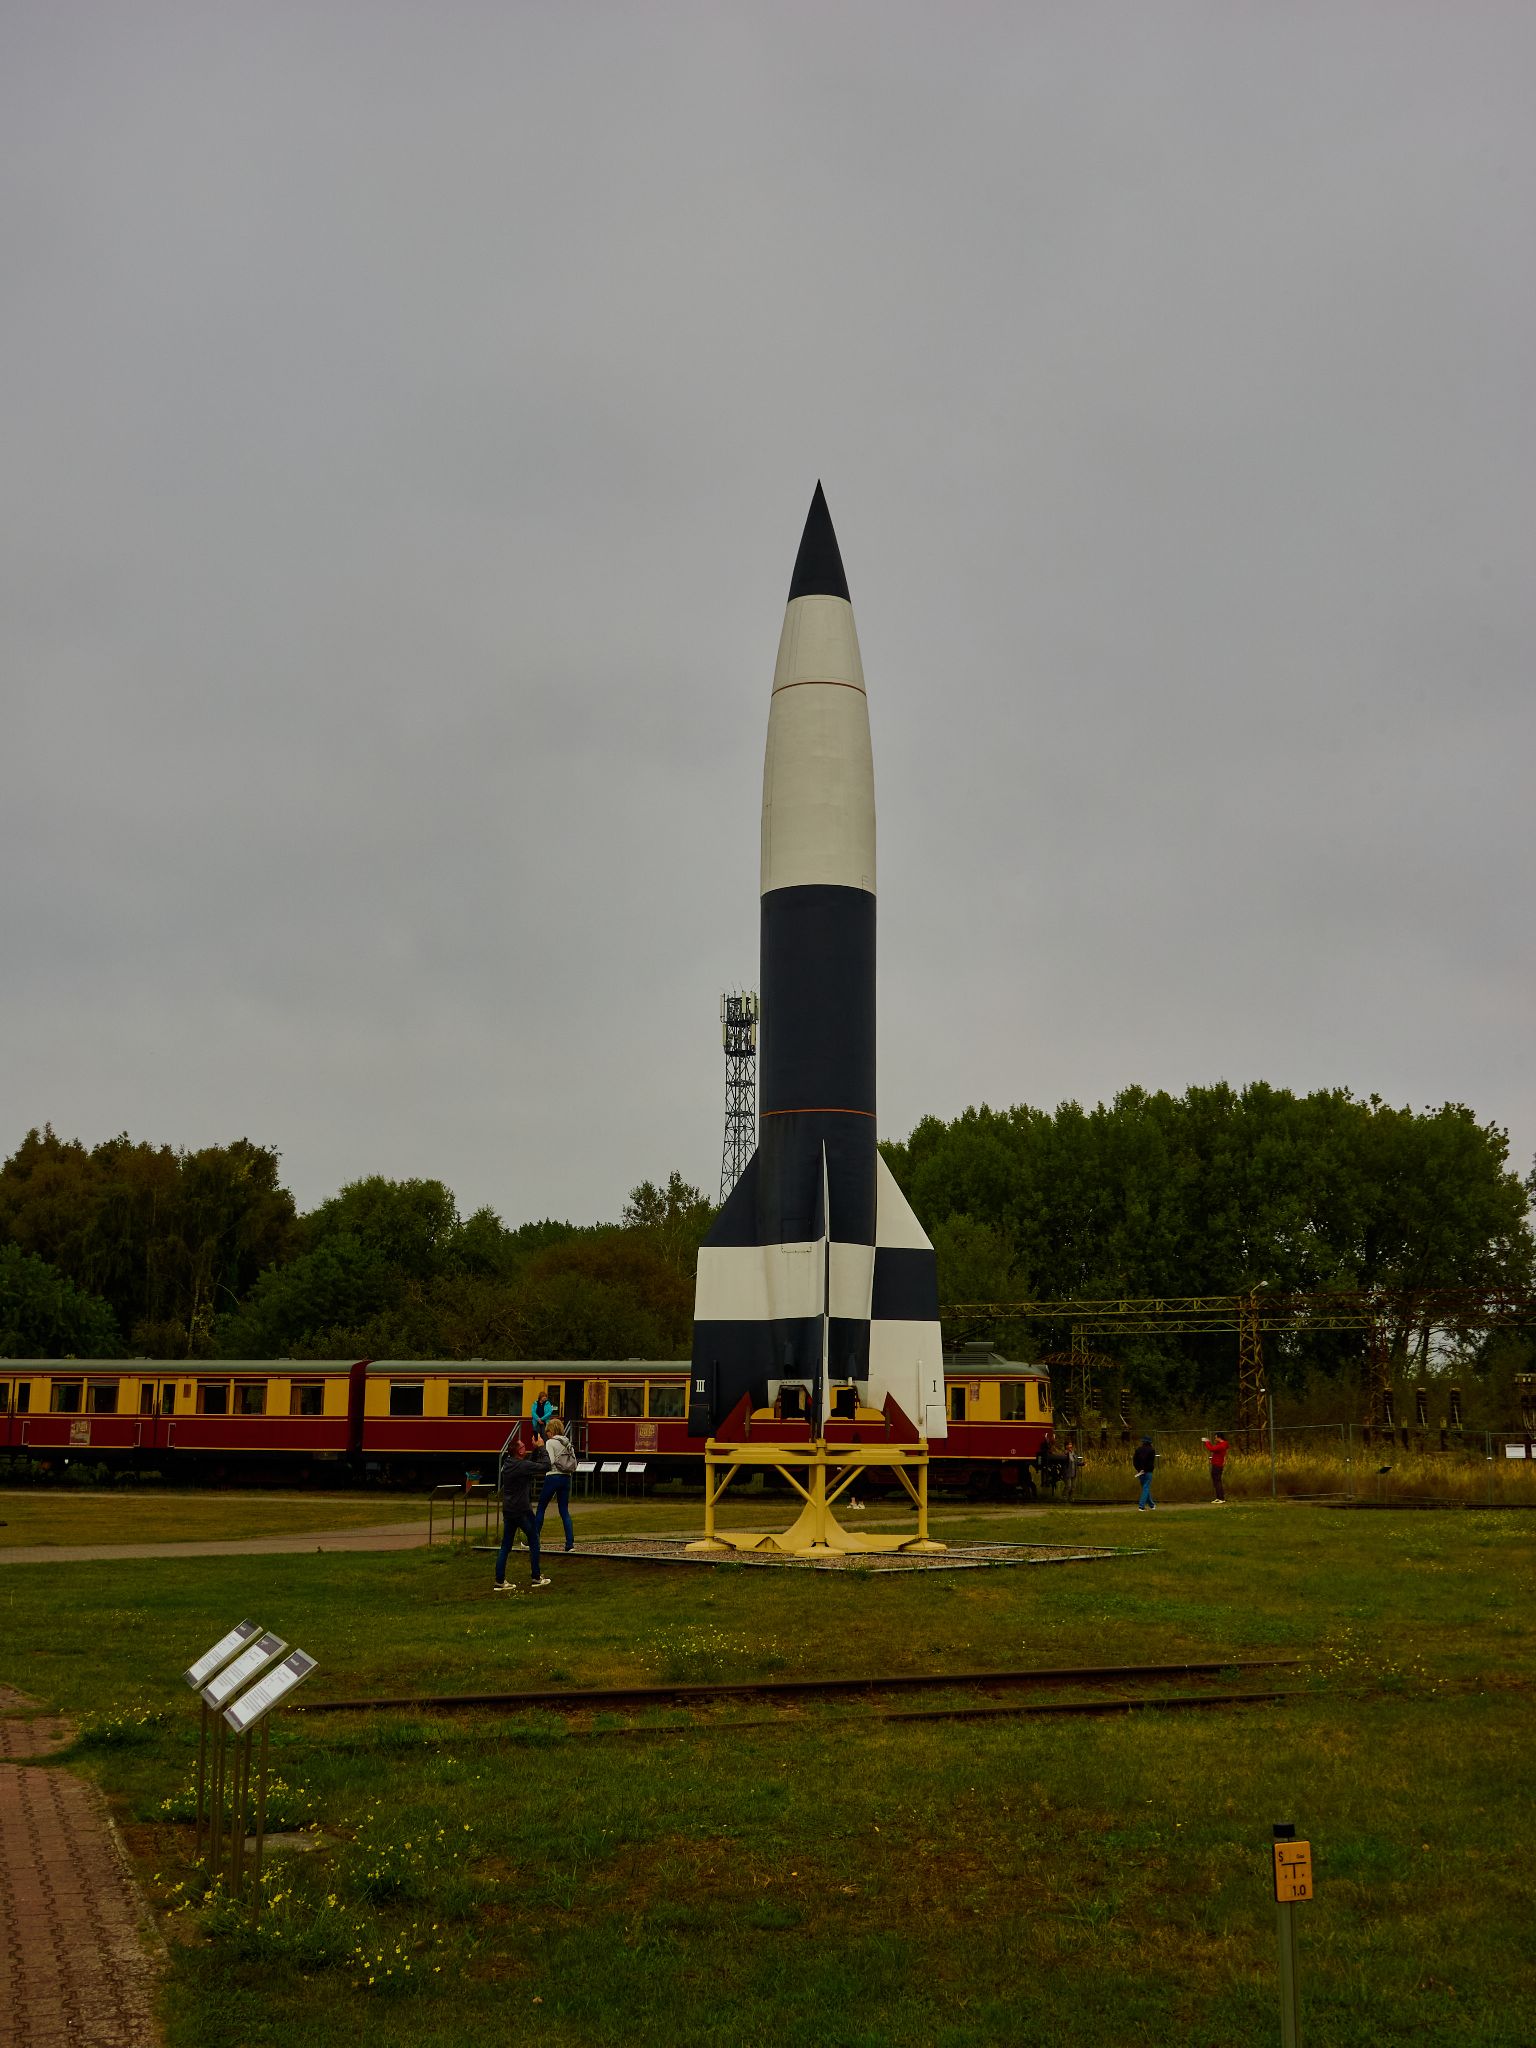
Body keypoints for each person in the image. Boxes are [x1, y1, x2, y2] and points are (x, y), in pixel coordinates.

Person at [495, 1433, 552, 1592]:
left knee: (506, 1545)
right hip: (522, 1510)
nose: (525, 1448)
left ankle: (499, 1581)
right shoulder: (521, 1466)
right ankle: (536, 1577)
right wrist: (541, 1447)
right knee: (534, 1539)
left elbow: (529, 1464)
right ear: (519, 1452)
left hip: (509, 1510)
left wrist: (535, 1451)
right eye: (523, 1447)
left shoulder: (508, 1464)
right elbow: (546, 1466)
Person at [534, 1417, 579, 1554]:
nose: (546, 1433)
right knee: (564, 1511)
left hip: (553, 1476)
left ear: (551, 1430)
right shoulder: (567, 1442)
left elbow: (550, 1461)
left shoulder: (551, 1442)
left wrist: (539, 1464)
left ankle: (533, 1540)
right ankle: (569, 1544)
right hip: (566, 1477)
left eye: (548, 1431)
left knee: (541, 1507)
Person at [1202, 1429, 1230, 1504]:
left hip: (1217, 1465)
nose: (1215, 1439)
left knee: (1217, 1481)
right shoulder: (1222, 1444)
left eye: (1216, 1437)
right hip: (1217, 1463)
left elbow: (1211, 1449)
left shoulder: (1222, 1445)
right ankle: (1218, 1497)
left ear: (1219, 1437)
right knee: (1216, 1481)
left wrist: (1207, 1442)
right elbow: (1217, 1452)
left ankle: (1221, 1498)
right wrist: (1213, 1458)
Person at [1133, 1434, 1156, 1511]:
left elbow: (1135, 1461)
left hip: (1140, 1472)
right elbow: (1150, 1462)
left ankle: (1152, 1505)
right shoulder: (1152, 1450)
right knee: (1146, 1488)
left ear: (1143, 1442)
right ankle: (1141, 1506)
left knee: (1145, 1488)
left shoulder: (1138, 1450)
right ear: (1150, 1442)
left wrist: (1139, 1469)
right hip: (1148, 1472)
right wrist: (1145, 1469)